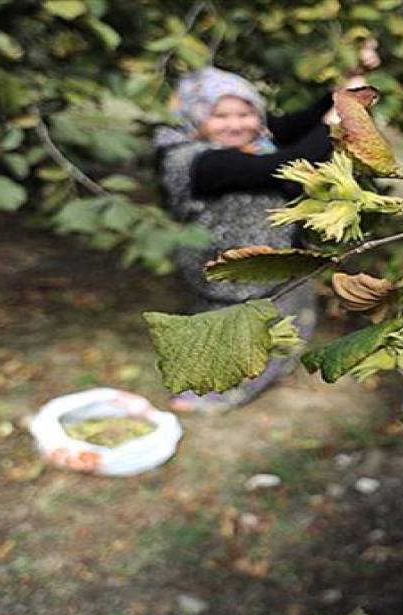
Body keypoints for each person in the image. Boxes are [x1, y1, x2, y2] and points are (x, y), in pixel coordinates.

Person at [153, 45, 378, 413]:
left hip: (268, 259)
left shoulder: (254, 139)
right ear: (194, 117)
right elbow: (286, 163)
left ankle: (265, 374)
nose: (236, 124)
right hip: (228, 270)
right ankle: (209, 393)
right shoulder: (194, 160)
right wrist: (339, 119)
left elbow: (296, 123)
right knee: (228, 334)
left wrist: (345, 88)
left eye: (246, 113)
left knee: (279, 324)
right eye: (220, 116)